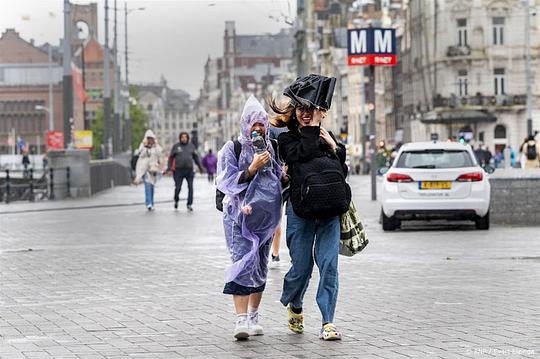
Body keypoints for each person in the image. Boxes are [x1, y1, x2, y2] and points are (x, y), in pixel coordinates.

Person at [270, 74, 349, 341]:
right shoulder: (287, 139)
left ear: (320, 111)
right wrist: (314, 130)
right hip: (301, 211)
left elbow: (340, 172)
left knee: (329, 266)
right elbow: (301, 154)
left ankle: (328, 321)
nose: (305, 113)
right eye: (301, 108)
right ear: (294, 111)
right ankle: (295, 302)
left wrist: (334, 147)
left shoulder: (330, 139)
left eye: (311, 108)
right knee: (301, 267)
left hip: (329, 211)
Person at [216, 95, 286, 340]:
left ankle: (254, 316)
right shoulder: (232, 148)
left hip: (266, 219)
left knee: (260, 266)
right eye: (252, 124)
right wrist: (252, 168)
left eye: (261, 124)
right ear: (244, 125)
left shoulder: (272, 148)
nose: (257, 129)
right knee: (242, 264)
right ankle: (240, 319)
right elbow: (225, 182)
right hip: (239, 219)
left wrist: (284, 176)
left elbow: (277, 180)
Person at [268, 124, 289, 268]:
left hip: (273, 185)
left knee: (274, 223)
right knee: (276, 222)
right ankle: (275, 254)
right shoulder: (290, 129)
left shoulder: (271, 130)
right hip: (279, 184)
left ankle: (274, 254)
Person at [168, 132, 203, 211]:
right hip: (178, 171)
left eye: (185, 137)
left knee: (190, 187)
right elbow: (170, 158)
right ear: (180, 138)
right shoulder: (176, 146)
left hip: (189, 170)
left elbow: (196, 158)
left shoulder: (191, 146)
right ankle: (176, 200)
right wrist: (169, 168)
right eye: (182, 137)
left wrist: (200, 168)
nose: (184, 138)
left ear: (187, 138)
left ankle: (189, 204)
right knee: (178, 188)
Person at [134, 130, 163, 211]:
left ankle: (152, 202)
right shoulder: (142, 145)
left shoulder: (156, 146)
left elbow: (160, 154)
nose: (150, 140)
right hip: (145, 169)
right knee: (147, 185)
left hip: (153, 169)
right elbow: (141, 155)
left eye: (151, 138)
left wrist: (155, 145)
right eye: (149, 138)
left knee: (152, 186)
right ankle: (148, 203)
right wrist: (146, 148)